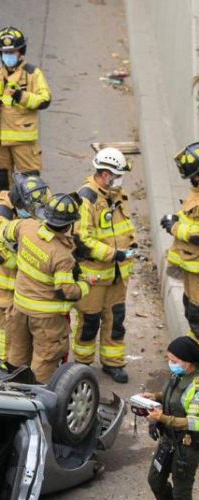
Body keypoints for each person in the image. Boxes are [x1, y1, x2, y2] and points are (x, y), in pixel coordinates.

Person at [0, 193, 92, 383]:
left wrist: (18, 257)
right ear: (68, 225)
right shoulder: (61, 255)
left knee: (17, 354)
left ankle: (12, 394)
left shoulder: (26, 226)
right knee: (44, 363)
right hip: (46, 321)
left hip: (19, 309)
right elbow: (65, 291)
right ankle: (37, 401)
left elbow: (4, 233)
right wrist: (86, 284)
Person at [71, 148, 136, 383]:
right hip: (95, 274)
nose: (121, 180)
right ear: (106, 174)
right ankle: (82, 365)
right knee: (89, 321)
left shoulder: (116, 194)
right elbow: (82, 240)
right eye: (118, 175)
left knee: (116, 319)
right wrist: (113, 254)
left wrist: (131, 245)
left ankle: (113, 363)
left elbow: (123, 227)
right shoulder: (85, 199)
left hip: (118, 272)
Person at [0, 173, 50, 361]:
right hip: (4, 285)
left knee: (20, 333)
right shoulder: (1, 214)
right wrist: (23, 264)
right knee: (5, 334)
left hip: (19, 285)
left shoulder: (34, 195)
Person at [0, 27, 51, 193]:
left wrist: (21, 96)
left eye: (12, 51)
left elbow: (45, 99)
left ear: (21, 51)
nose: (8, 55)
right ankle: (4, 216)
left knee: (31, 184)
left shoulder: (32, 74)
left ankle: (29, 217)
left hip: (24, 141)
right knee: (2, 182)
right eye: (4, 52)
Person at [142, 336, 199, 499]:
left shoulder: (197, 386)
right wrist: (155, 396)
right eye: (169, 359)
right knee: (155, 480)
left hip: (186, 447)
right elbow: (173, 396)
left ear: (188, 361)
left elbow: (195, 423)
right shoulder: (178, 376)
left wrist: (163, 418)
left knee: (181, 492)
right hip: (168, 440)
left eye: (174, 360)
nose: (171, 363)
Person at [162, 142, 199, 343]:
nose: (192, 180)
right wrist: (175, 218)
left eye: (194, 175)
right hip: (192, 269)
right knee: (191, 310)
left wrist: (174, 228)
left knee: (196, 314)